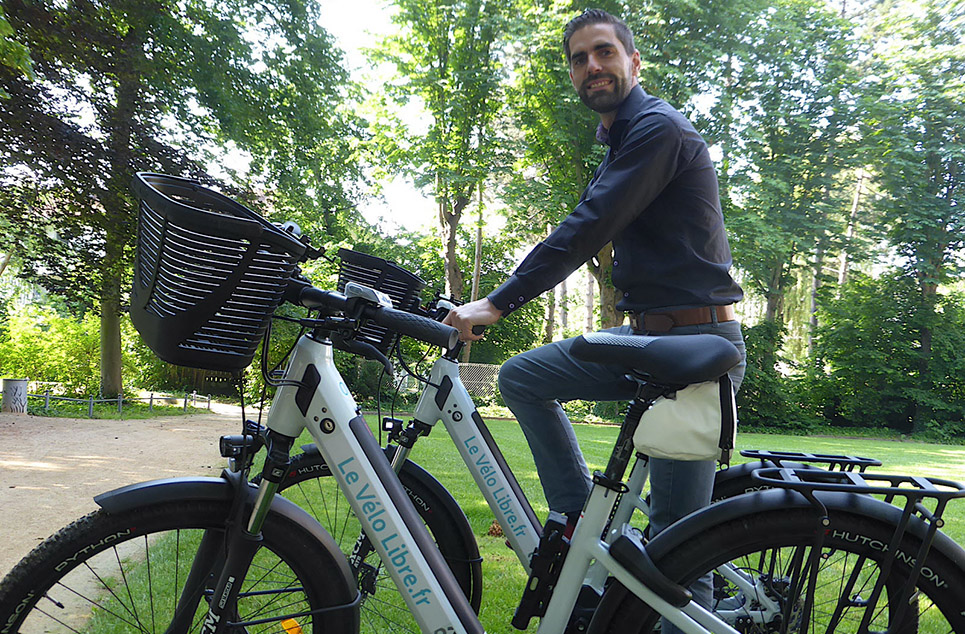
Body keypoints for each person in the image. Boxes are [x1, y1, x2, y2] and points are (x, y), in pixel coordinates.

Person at [443, 7, 746, 614]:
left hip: (697, 350)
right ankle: (581, 528)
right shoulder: (621, 142)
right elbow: (591, 230)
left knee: (677, 557)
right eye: (579, 58)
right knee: (523, 376)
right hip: (648, 342)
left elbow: (587, 228)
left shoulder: (658, 129)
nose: (592, 66)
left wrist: (498, 302)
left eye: (604, 52)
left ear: (633, 62)